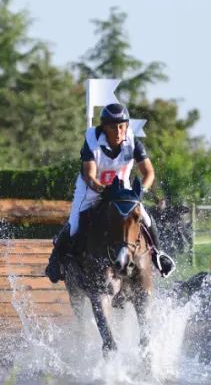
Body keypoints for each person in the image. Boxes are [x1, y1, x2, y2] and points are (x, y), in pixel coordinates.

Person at [45, 103, 175, 283]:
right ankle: (56, 258)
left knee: (144, 216)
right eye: (114, 127)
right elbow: (90, 176)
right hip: (92, 189)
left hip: (123, 190)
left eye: (122, 126)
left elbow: (149, 173)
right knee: (75, 223)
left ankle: (158, 255)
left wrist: (141, 191)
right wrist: (103, 191)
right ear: (104, 128)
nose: (119, 131)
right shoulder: (92, 141)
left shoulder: (134, 143)